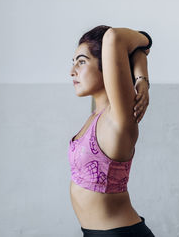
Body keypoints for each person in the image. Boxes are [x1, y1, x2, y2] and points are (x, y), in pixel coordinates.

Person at [68, 25, 155, 236]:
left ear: (106, 64)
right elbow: (135, 50)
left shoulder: (118, 116)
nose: (72, 71)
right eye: (73, 63)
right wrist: (140, 64)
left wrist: (142, 78)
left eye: (81, 62)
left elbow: (114, 37)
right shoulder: (96, 114)